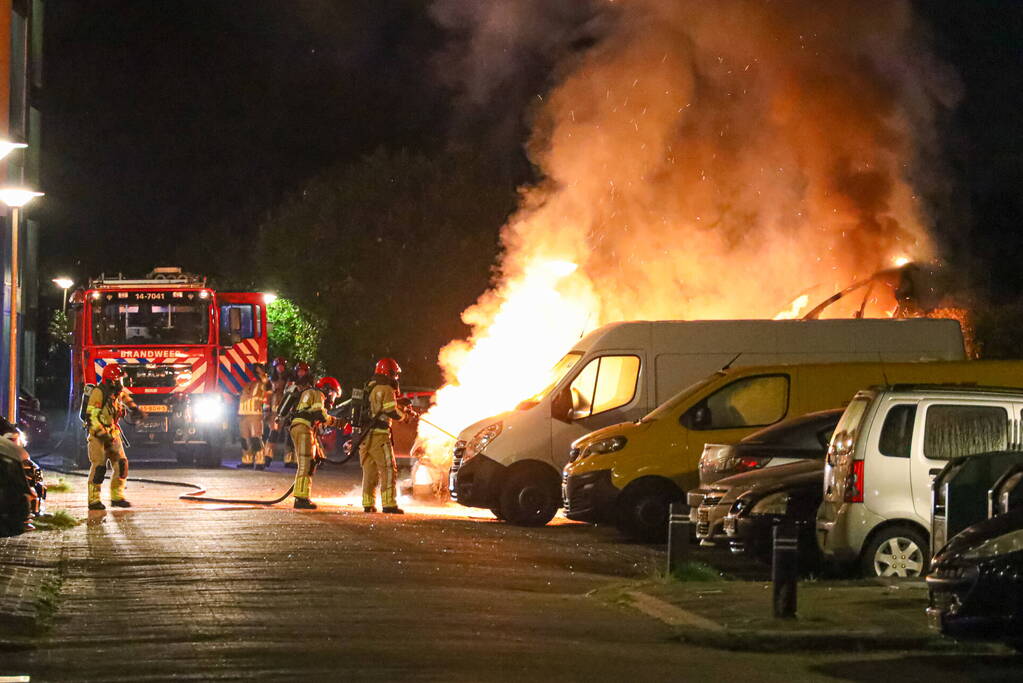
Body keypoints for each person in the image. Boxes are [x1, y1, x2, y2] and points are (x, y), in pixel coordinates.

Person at [85, 364, 142, 510]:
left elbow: (126, 397)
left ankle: (117, 497)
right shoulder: (99, 392)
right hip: (99, 436)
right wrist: (102, 435)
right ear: (111, 380)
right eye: (118, 380)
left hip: (112, 434)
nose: (120, 384)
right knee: (99, 468)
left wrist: (135, 408)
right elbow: (91, 416)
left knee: (121, 464)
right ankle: (94, 500)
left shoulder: (116, 392)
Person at [360, 358, 409, 514]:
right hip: (380, 436)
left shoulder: (371, 387)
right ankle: (389, 504)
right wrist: (404, 417)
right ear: (389, 372)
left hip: (365, 437)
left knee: (370, 471)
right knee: (388, 469)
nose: (396, 378)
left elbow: (379, 405)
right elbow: (390, 410)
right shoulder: (386, 388)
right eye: (395, 374)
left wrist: (399, 401)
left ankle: (368, 503)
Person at [290, 376, 342, 509]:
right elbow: (320, 414)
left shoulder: (310, 392)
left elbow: (315, 416)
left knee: (310, 461)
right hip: (304, 428)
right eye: (334, 394)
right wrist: (336, 421)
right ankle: (301, 498)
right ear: (328, 390)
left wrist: (318, 453)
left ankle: (302, 495)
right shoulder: (318, 394)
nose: (333, 398)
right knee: (306, 462)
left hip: (302, 428)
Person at [237, 363, 270, 469]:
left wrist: (261, 373)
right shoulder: (246, 384)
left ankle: (260, 462)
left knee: (256, 438)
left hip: (255, 414)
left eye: (257, 371)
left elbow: (268, 388)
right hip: (243, 414)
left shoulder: (262, 383)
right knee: (244, 439)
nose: (256, 373)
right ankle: (247, 461)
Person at [282, 361, 312, 467]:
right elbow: (286, 394)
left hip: (303, 413)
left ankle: (296, 460)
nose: (301, 373)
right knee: (289, 437)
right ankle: (287, 459)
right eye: (299, 371)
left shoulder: (309, 385)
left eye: (303, 371)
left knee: (300, 437)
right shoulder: (292, 383)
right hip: (292, 412)